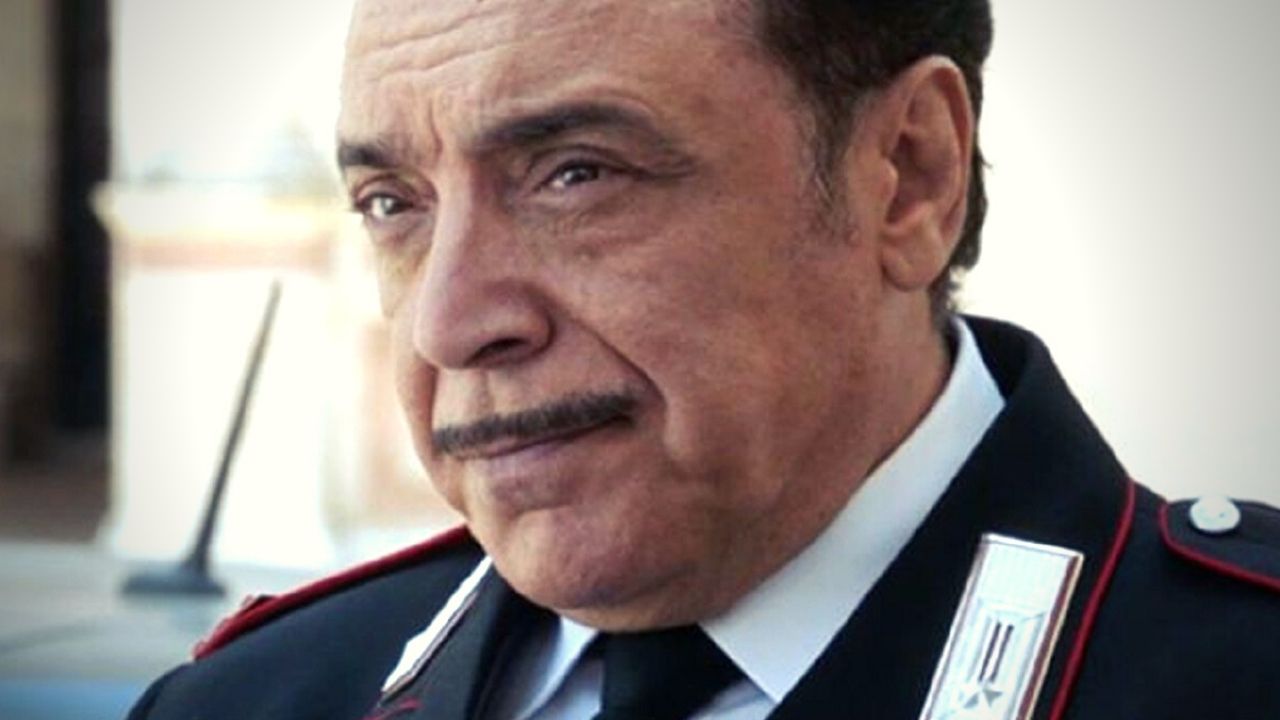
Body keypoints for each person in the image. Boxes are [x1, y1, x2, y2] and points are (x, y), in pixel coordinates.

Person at [128, 1, 1280, 718]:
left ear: (908, 175)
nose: (448, 322)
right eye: (393, 202)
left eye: (576, 173)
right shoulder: (248, 701)